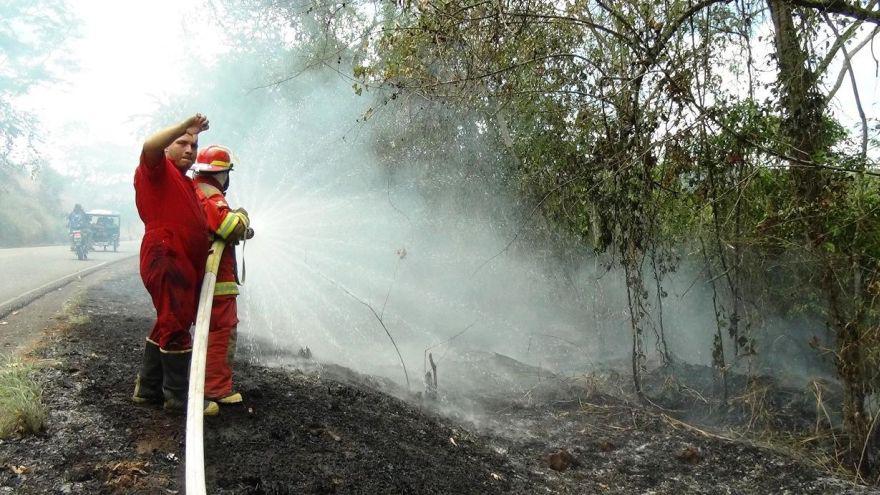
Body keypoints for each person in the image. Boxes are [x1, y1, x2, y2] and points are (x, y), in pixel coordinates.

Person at [131, 114, 219, 416]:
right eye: (182, 143)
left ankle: (149, 388)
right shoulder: (155, 170)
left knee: (171, 319)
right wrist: (184, 125)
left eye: (194, 145)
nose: (189, 150)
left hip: (180, 258)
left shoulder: (183, 181)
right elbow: (148, 145)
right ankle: (179, 397)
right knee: (174, 322)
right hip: (166, 254)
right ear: (167, 147)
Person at [191, 145, 254, 405]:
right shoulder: (210, 194)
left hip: (202, 276)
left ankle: (200, 383)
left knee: (207, 332)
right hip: (216, 282)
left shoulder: (195, 189)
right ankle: (217, 389)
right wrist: (241, 218)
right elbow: (227, 226)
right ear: (222, 174)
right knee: (221, 333)